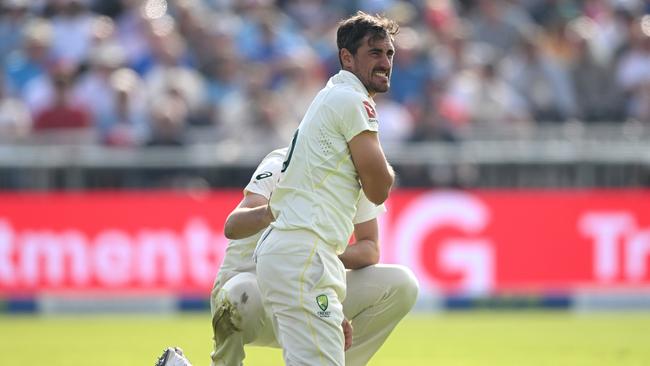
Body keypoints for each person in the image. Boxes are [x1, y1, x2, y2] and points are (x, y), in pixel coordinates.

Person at [155, 148, 418, 366]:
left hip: (315, 287)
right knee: (239, 295)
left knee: (401, 284)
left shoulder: (358, 172)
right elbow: (233, 226)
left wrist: (317, 261)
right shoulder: (285, 161)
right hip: (256, 293)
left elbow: (370, 248)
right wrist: (275, 211)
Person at [254, 11, 400, 366]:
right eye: (375, 53)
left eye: (390, 54)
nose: (385, 62)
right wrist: (386, 172)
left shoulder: (332, 96)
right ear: (346, 58)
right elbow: (379, 188)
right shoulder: (352, 99)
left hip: (299, 253)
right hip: (305, 252)